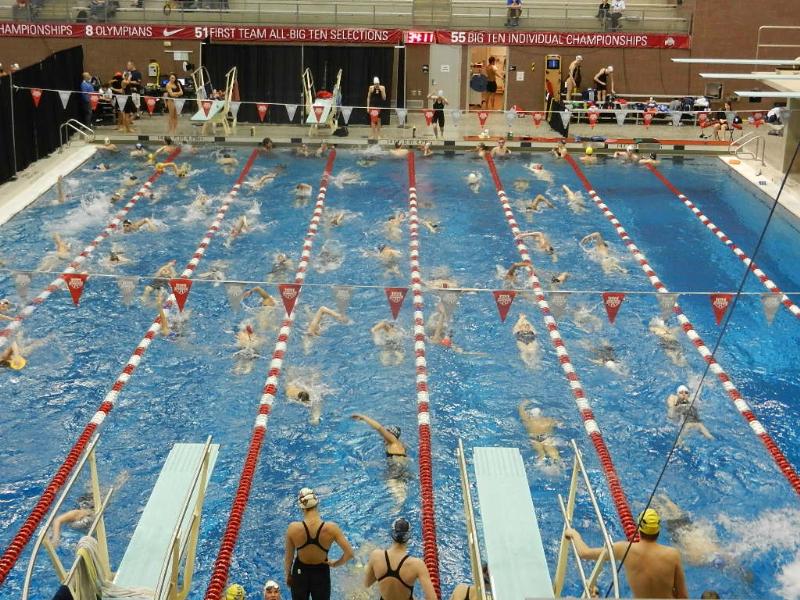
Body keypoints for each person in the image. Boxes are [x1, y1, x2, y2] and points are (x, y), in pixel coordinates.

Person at [565, 509, 688, 599]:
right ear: (658, 531)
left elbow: (584, 553)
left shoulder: (624, 549)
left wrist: (574, 534)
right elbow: (683, 596)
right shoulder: (673, 555)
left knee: (591, 590)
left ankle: (594, 594)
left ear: (639, 529)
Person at [284, 487, 354, 600]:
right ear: (317, 503)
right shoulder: (332, 528)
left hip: (300, 572)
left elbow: (288, 558)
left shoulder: (293, 528)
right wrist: (335, 563)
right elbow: (350, 553)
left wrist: (288, 575)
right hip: (321, 573)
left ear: (301, 507)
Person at [364, 518, 437, 600]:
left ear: (392, 534)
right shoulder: (417, 565)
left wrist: (380, 573)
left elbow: (367, 584)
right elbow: (432, 598)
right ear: (408, 536)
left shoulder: (376, 556)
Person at [351, 413, 410, 505]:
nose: (383, 436)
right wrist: (372, 463)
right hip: (402, 468)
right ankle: (399, 507)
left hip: (396, 469)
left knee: (395, 493)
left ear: (390, 433)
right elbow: (394, 460)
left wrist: (364, 418)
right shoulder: (399, 445)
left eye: (386, 433)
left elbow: (379, 428)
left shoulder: (392, 441)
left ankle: (397, 510)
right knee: (401, 495)